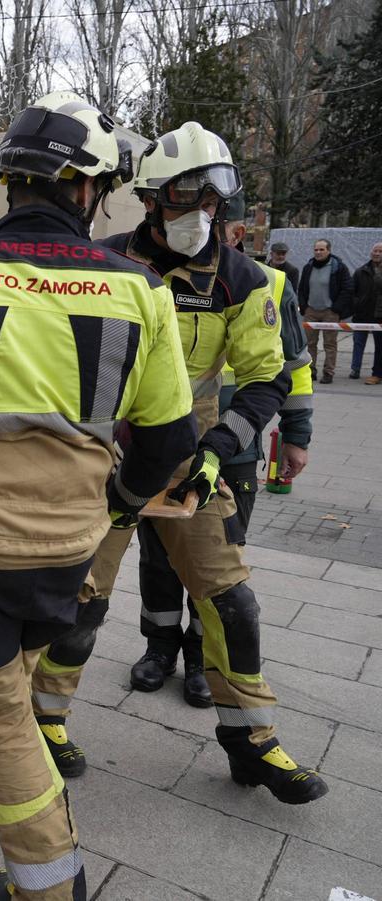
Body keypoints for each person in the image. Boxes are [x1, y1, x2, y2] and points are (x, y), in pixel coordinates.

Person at [0, 92, 194, 900]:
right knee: (5, 685)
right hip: (75, 545)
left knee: (6, 713)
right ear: (84, 189)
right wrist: (118, 501)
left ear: (13, 182)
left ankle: (53, 886)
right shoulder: (139, 289)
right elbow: (167, 441)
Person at [29, 121, 329, 808]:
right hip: (101, 457)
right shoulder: (98, 262)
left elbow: (266, 379)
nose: (200, 214)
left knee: (232, 601)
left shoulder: (244, 281)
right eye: (183, 198)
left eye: (213, 199)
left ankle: (250, 740)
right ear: (151, 200)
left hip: (192, 460)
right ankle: (43, 719)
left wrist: (220, 449)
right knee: (81, 597)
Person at [129, 189, 313, 705]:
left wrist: (296, 437)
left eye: (210, 208)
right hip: (165, 443)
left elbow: (292, 365)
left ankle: (198, 658)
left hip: (234, 439)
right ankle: (159, 648)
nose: (200, 219)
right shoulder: (136, 267)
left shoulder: (264, 280)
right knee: (159, 554)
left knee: (215, 560)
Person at [298, 237, 353, 384]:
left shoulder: (339, 267)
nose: (318, 252)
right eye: (316, 249)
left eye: (322, 249)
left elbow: (347, 289)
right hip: (311, 311)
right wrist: (304, 307)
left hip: (330, 312)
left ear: (328, 251)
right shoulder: (308, 267)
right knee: (309, 343)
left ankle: (328, 372)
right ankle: (310, 370)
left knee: (330, 344)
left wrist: (336, 309)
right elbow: (302, 288)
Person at [350, 242, 382, 384]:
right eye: (375, 250)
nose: (377, 253)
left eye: (380, 251)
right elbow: (352, 291)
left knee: (380, 346)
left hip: (379, 315)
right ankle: (355, 369)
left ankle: (377, 373)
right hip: (362, 314)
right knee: (358, 342)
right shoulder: (361, 271)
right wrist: (356, 305)